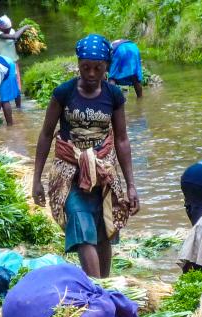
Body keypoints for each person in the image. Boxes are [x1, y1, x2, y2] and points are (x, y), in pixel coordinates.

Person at [32, 34, 140, 278]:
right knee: (81, 227)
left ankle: (105, 287)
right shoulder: (64, 93)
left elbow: (121, 140)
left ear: (107, 68)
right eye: (85, 68)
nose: (91, 74)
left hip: (103, 172)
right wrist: (36, 179)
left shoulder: (113, 95)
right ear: (78, 64)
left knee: (104, 230)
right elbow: (46, 134)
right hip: (70, 173)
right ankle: (97, 289)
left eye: (98, 69)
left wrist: (131, 185)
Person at [0, 15, 31, 108]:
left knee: (17, 85)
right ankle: (5, 104)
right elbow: (14, 37)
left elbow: (15, 39)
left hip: (14, 62)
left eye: (9, 28)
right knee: (5, 85)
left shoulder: (12, 31)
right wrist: (24, 27)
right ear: (1, 28)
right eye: (7, 29)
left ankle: (18, 107)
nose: (9, 30)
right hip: (4, 64)